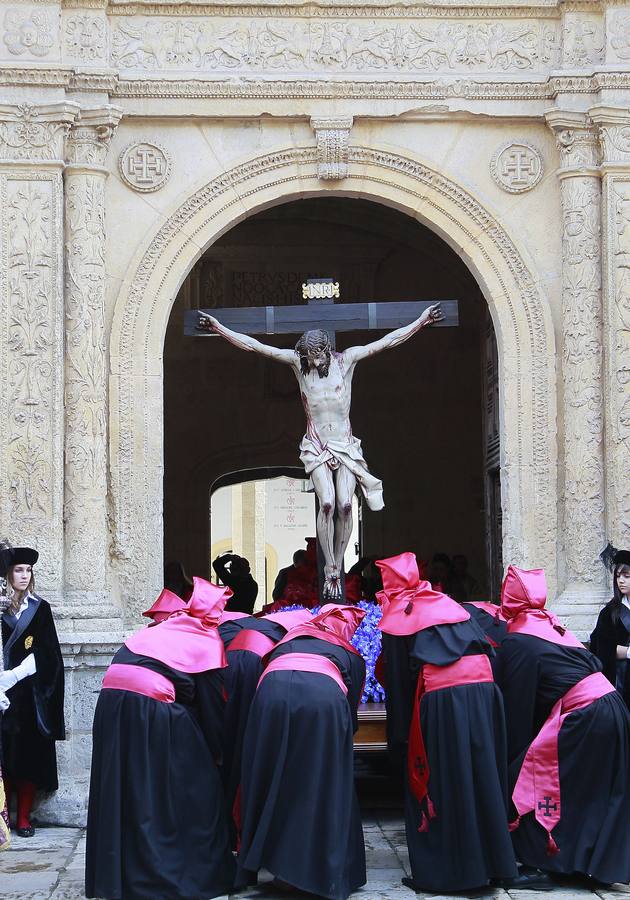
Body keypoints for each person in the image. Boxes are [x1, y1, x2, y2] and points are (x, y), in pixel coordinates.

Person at [199, 303, 443, 600]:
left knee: (345, 505)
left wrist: (420, 321)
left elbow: (387, 341)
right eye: (309, 358)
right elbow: (256, 346)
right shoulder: (298, 365)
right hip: (315, 445)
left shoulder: (347, 360)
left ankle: (338, 562)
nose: (313, 364)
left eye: (317, 357)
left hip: (345, 446)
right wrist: (218, 328)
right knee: (326, 503)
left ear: (327, 351)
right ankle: (330, 567)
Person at [376, 552, 520, 893]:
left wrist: (399, 743)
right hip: (485, 694)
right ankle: (495, 863)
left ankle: (449, 873)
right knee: (481, 777)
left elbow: (399, 683)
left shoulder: (400, 614)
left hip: (444, 701)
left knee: (443, 781)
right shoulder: (446, 603)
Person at [85, 577, 236, 900]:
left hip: (112, 705)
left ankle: (119, 873)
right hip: (148, 708)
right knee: (194, 788)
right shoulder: (205, 639)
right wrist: (217, 755)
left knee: (127, 786)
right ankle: (165, 873)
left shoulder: (165, 628)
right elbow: (211, 709)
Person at [496, 565, 630, 886]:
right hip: (610, 707)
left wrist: (509, 759)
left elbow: (518, 710)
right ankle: (587, 865)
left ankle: (544, 861)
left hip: (585, 714)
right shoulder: (552, 625)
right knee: (592, 791)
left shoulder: (518, 640)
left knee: (527, 780)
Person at [236, 604, 367, 900]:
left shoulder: (289, 640)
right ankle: (315, 871)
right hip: (322, 699)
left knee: (272, 777)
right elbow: (351, 715)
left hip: (270, 693)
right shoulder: (350, 654)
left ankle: (266, 861)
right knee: (319, 783)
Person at [220, 608, 312, 845]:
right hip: (259, 669)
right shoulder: (298, 631)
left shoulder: (242, 624)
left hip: (231, 664)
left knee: (232, 742)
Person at [0, 545, 65, 838]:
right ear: (7, 574)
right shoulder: (1, 608)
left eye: (28, 570)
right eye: (18, 570)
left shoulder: (40, 608)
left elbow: (48, 650)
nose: (24, 575)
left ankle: (23, 816)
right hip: (1, 694)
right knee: (6, 757)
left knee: (27, 756)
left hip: (28, 693)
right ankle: (6, 814)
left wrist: (16, 674)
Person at [590, 546, 630, 708]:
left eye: (627, 576)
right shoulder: (609, 613)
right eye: (618, 576)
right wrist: (628, 652)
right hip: (619, 683)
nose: (621, 580)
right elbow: (601, 648)